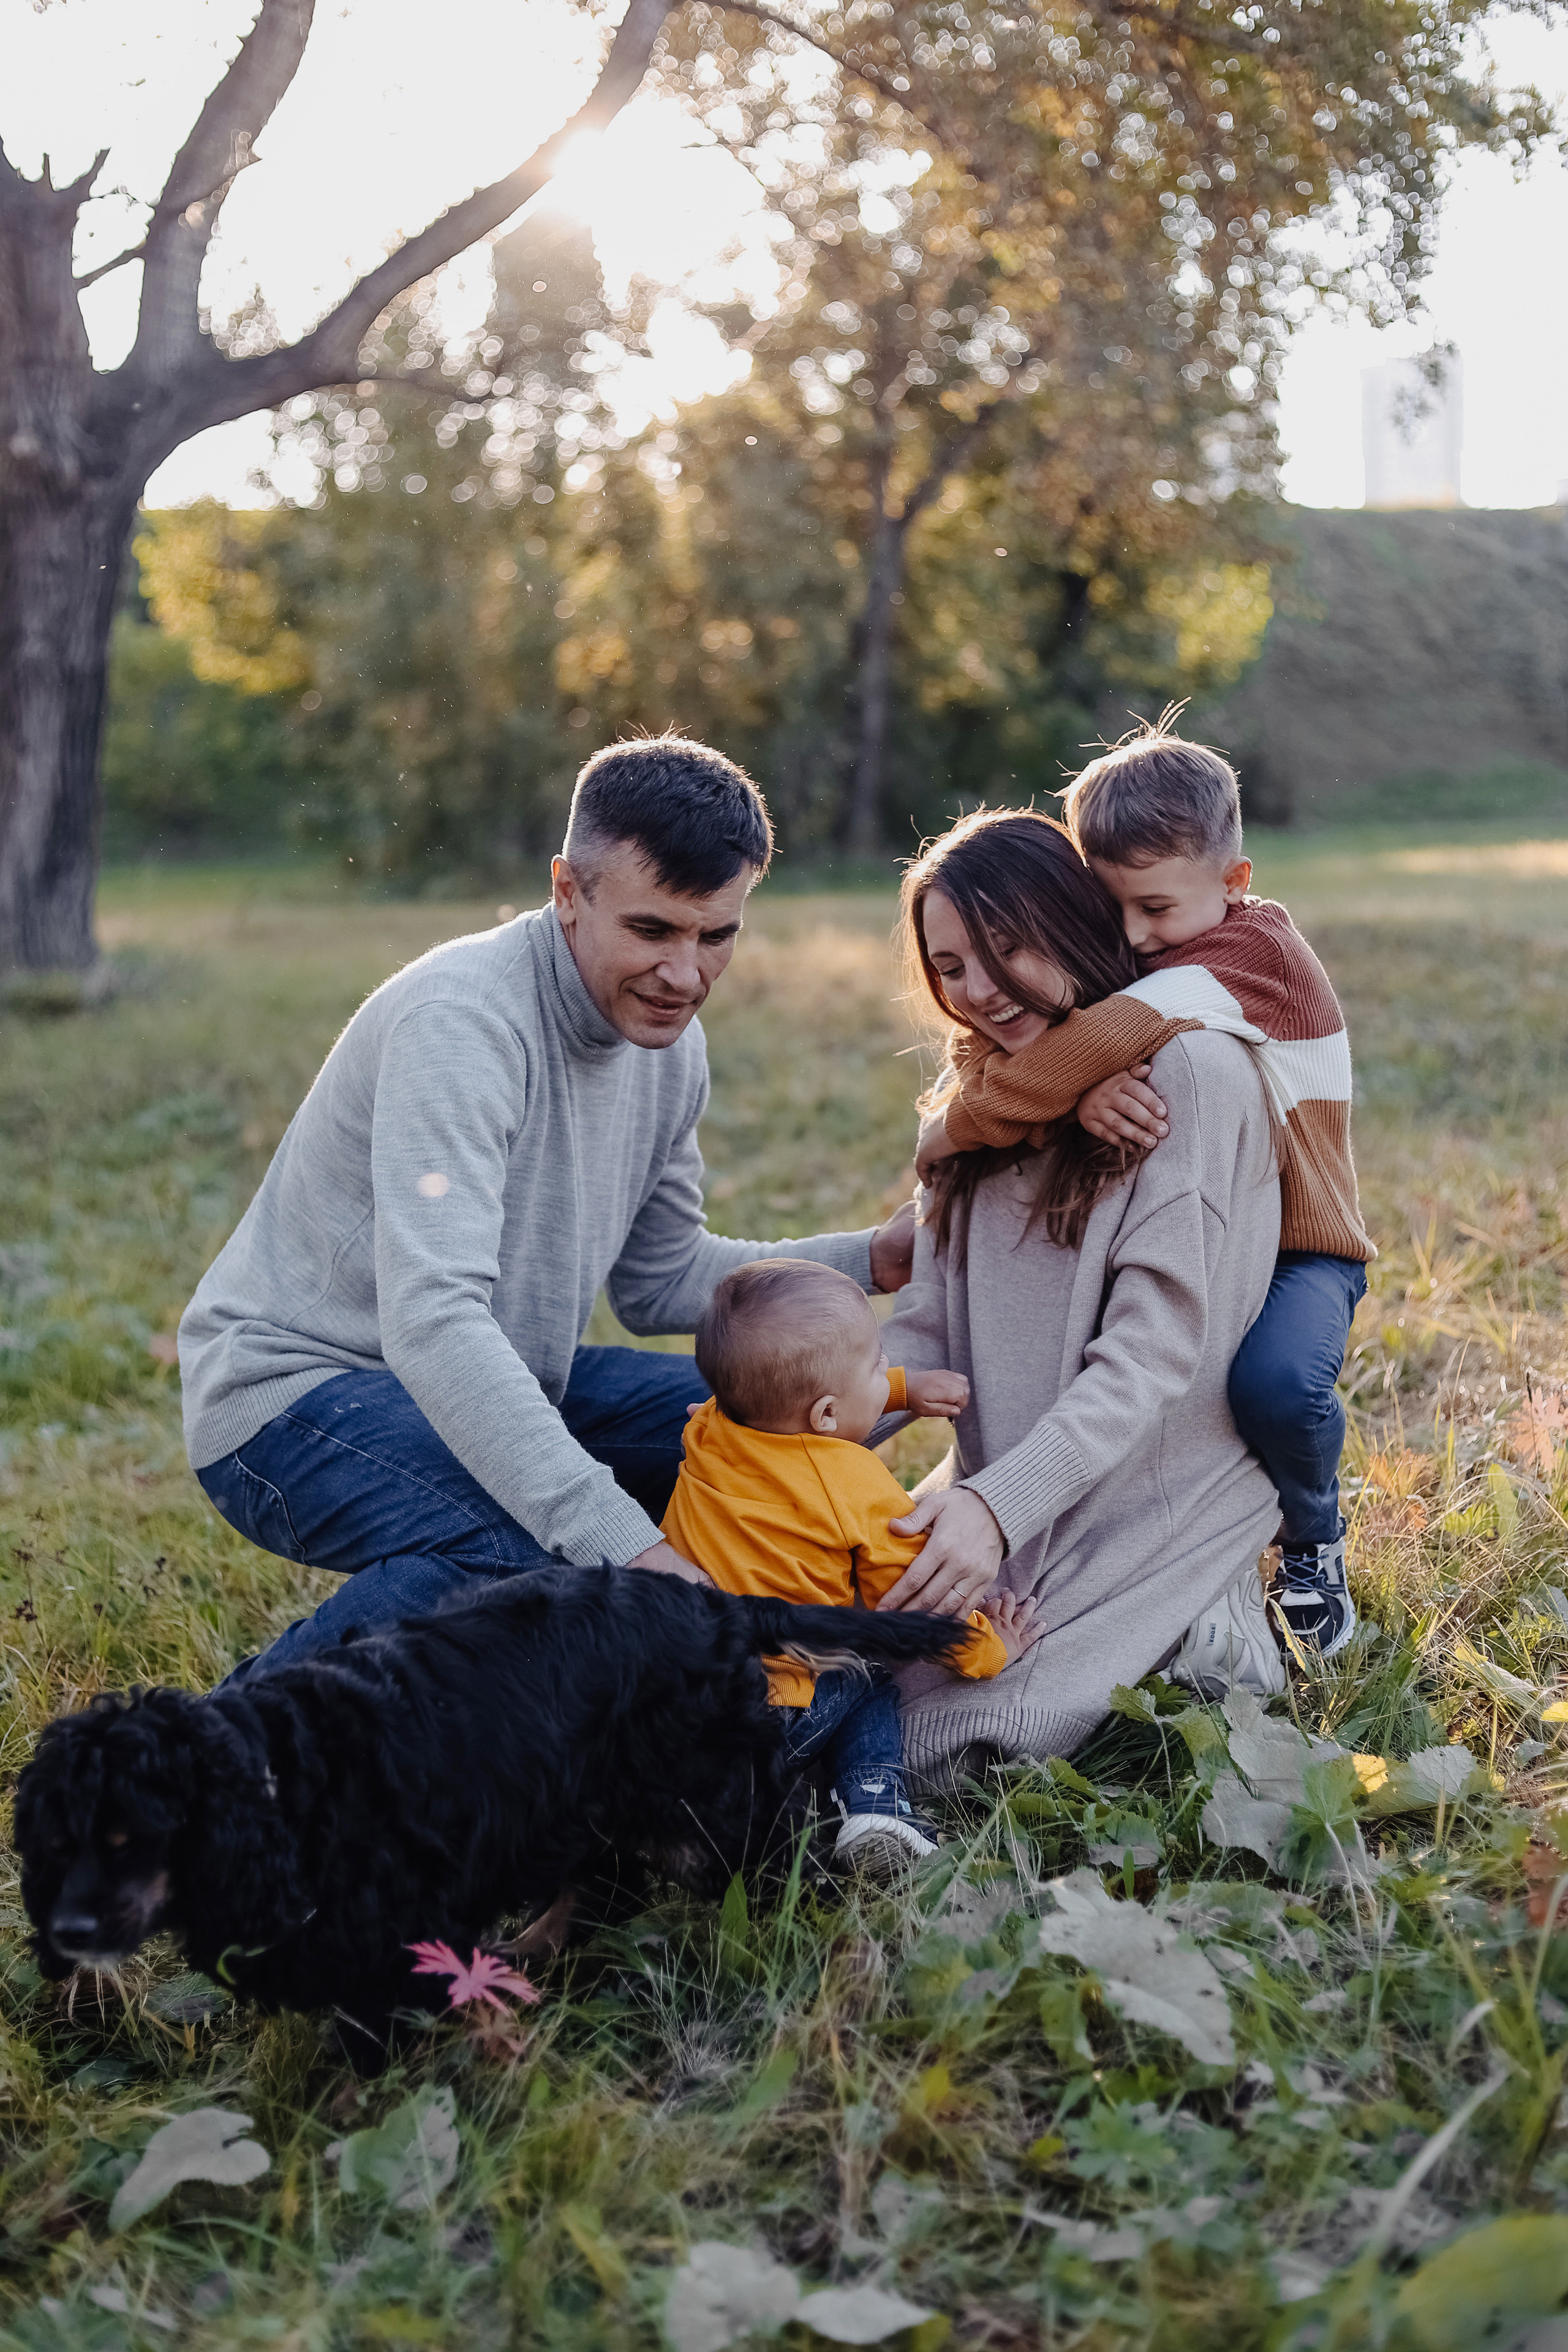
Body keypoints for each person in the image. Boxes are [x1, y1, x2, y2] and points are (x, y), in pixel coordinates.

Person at [179, 736, 916, 1677]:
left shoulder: (669, 1048)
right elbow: (435, 1324)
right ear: (568, 890)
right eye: (652, 930)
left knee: (783, 1425)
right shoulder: (462, 1024)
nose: (685, 975)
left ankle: (723, 1701)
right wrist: (630, 1548)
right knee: (535, 1556)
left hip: (503, 1379)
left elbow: (660, 1280)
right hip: (293, 1401)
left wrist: (874, 1259)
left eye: (715, 936)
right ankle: (228, 1747)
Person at [916, 726, 1373, 1659]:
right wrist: (1071, 1101)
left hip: (1304, 1243)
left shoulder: (1247, 958)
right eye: (1109, 904)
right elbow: (1067, 1050)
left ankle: (1313, 1538)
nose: (1130, 935)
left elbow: (1092, 1042)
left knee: (1277, 1386)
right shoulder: (1171, 948)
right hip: (1229, 1237)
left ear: (1234, 881)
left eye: (1154, 906)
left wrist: (953, 1127)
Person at [866, 807, 1284, 1784]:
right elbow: (925, 1333)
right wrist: (786, 1455)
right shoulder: (979, 1107)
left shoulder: (1190, 1072)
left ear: (1075, 920)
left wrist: (995, 1511)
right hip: (1000, 1487)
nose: (979, 992)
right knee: (794, 1669)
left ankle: (1213, 1619)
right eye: (951, 966)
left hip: (1146, 1496)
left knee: (945, 1740)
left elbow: (1150, 1361)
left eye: (1008, 948)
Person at [662, 1259, 1044, 1869]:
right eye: (875, 1365)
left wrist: (901, 1389)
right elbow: (914, 1601)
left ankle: (689, 1823)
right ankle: (876, 1808)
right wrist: (992, 1648)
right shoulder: (853, 1483)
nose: (884, 1368)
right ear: (826, 1418)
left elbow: (817, 1399)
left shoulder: (711, 1426)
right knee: (866, 1678)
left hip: (677, 1707)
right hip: (773, 1712)